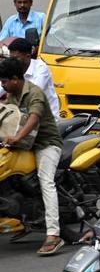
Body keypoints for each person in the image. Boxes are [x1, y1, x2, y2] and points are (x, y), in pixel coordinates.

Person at [0, 57, 63, 255]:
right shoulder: (11, 96)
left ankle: (53, 235)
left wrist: (17, 136)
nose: (2, 84)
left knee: (46, 183)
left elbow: (33, 119)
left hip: (45, 144)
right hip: (22, 145)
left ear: (16, 79)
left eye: (4, 81)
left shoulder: (35, 93)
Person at [7, 37, 59, 120]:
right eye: (11, 58)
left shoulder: (41, 68)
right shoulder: (13, 67)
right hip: (23, 116)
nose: (13, 62)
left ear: (28, 56)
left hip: (46, 119)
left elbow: (32, 93)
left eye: (16, 58)